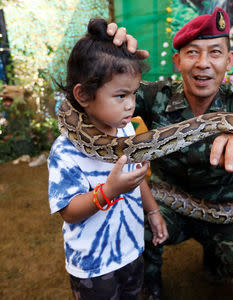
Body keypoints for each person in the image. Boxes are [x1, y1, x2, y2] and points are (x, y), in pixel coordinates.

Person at [106, 7, 233, 299]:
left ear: (229, 60)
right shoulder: (153, 95)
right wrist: (104, 56)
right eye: (192, 53)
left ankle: (216, 258)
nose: (203, 64)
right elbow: (106, 92)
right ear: (177, 61)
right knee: (126, 222)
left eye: (215, 52)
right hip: (165, 204)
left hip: (223, 209)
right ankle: (149, 278)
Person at [48, 18, 168, 300]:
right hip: (93, 265)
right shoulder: (65, 151)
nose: (131, 104)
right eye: (120, 95)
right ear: (84, 95)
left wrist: (152, 211)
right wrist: (109, 191)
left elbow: (138, 178)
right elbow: (69, 210)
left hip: (130, 249)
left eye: (133, 93)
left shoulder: (127, 129)